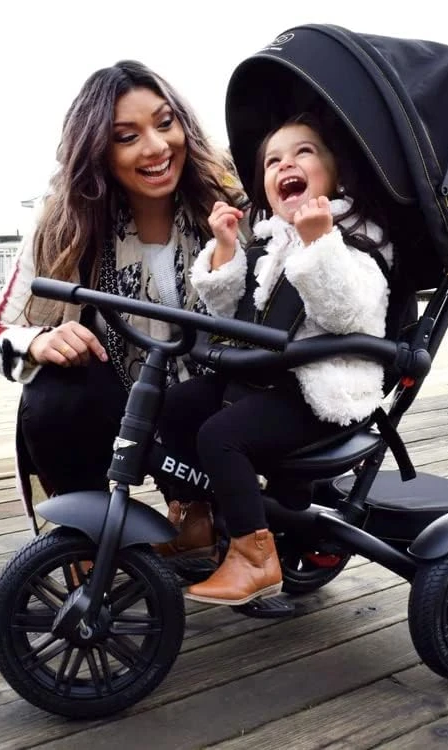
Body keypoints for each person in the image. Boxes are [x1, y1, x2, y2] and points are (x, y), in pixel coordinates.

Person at [0, 60, 246, 555]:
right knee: (53, 397)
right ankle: (81, 538)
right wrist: (39, 342)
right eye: (127, 137)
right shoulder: (63, 223)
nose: (156, 146)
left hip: (216, 399)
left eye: (165, 123)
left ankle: (197, 509)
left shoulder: (232, 197)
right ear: (97, 150)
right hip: (125, 399)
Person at [158, 111, 394, 605]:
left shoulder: (358, 241)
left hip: (321, 390)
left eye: (304, 152)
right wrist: (225, 250)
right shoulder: (271, 242)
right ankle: (197, 516)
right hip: (265, 377)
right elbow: (235, 313)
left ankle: (253, 556)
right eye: (272, 161)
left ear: (337, 172)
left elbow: (345, 313)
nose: (285, 163)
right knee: (176, 404)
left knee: (220, 435)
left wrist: (320, 242)